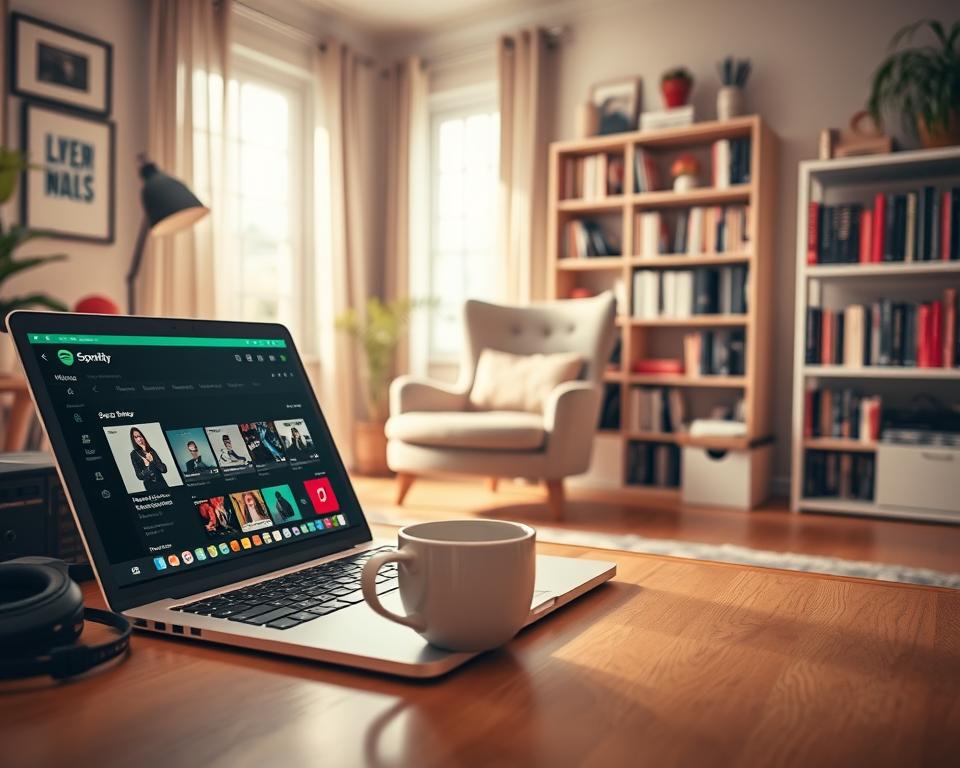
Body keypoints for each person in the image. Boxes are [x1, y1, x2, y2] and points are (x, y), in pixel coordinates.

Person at [129, 426, 169, 492]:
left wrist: (152, 461)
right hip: (150, 485)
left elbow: (164, 469)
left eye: (140, 436)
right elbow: (139, 476)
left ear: (143, 437)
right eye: (135, 437)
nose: (139, 439)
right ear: (133, 440)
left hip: (162, 483)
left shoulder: (151, 450)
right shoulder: (134, 454)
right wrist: (147, 467)